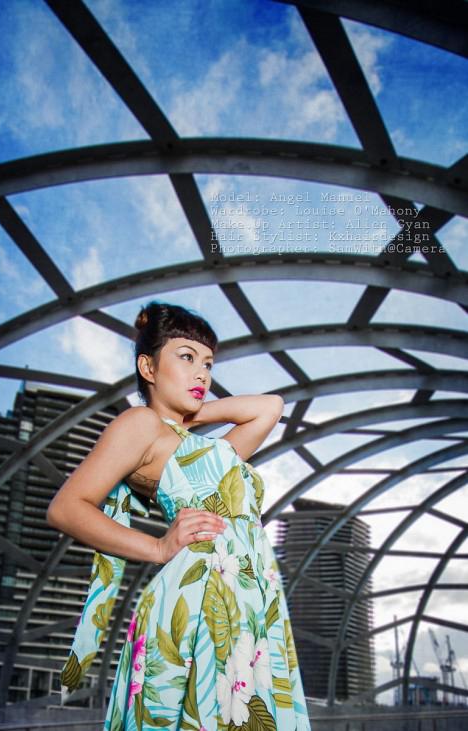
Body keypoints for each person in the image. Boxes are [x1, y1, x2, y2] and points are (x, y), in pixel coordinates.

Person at [47, 301, 311, 731]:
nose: (202, 374)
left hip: (249, 600)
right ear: (148, 367)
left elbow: (270, 406)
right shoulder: (141, 425)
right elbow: (66, 508)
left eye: (207, 363)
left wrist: (190, 414)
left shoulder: (211, 449)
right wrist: (157, 547)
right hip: (200, 595)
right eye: (186, 357)